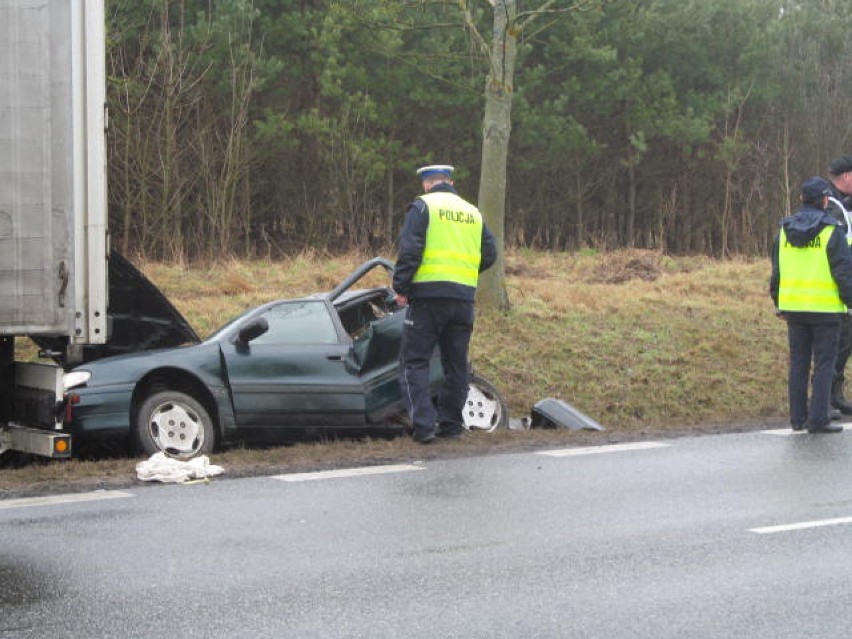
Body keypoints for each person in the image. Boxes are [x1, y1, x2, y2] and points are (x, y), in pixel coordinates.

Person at [392, 164, 497, 443]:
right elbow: (490, 254)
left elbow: (410, 250)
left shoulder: (423, 207)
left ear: (427, 184)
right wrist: (464, 275)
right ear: (450, 182)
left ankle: (424, 427)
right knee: (456, 364)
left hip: (427, 298)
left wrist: (401, 287)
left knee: (414, 362)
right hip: (462, 299)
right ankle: (450, 425)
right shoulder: (473, 212)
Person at [770, 176, 852, 433]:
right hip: (826, 309)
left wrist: (778, 302)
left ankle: (797, 419)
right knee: (824, 364)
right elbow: (843, 273)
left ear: (802, 199)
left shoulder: (784, 230)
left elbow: (777, 271)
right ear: (825, 200)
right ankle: (818, 419)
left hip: (794, 307)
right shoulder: (832, 230)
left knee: (798, 363)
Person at [825, 156, 852, 414]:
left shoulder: (840, 203)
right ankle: (830, 396)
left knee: (843, 341)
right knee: (838, 342)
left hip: (841, 283)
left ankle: (835, 394)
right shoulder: (832, 206)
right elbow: (840, 248)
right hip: (836, 286)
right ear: (847, 177)